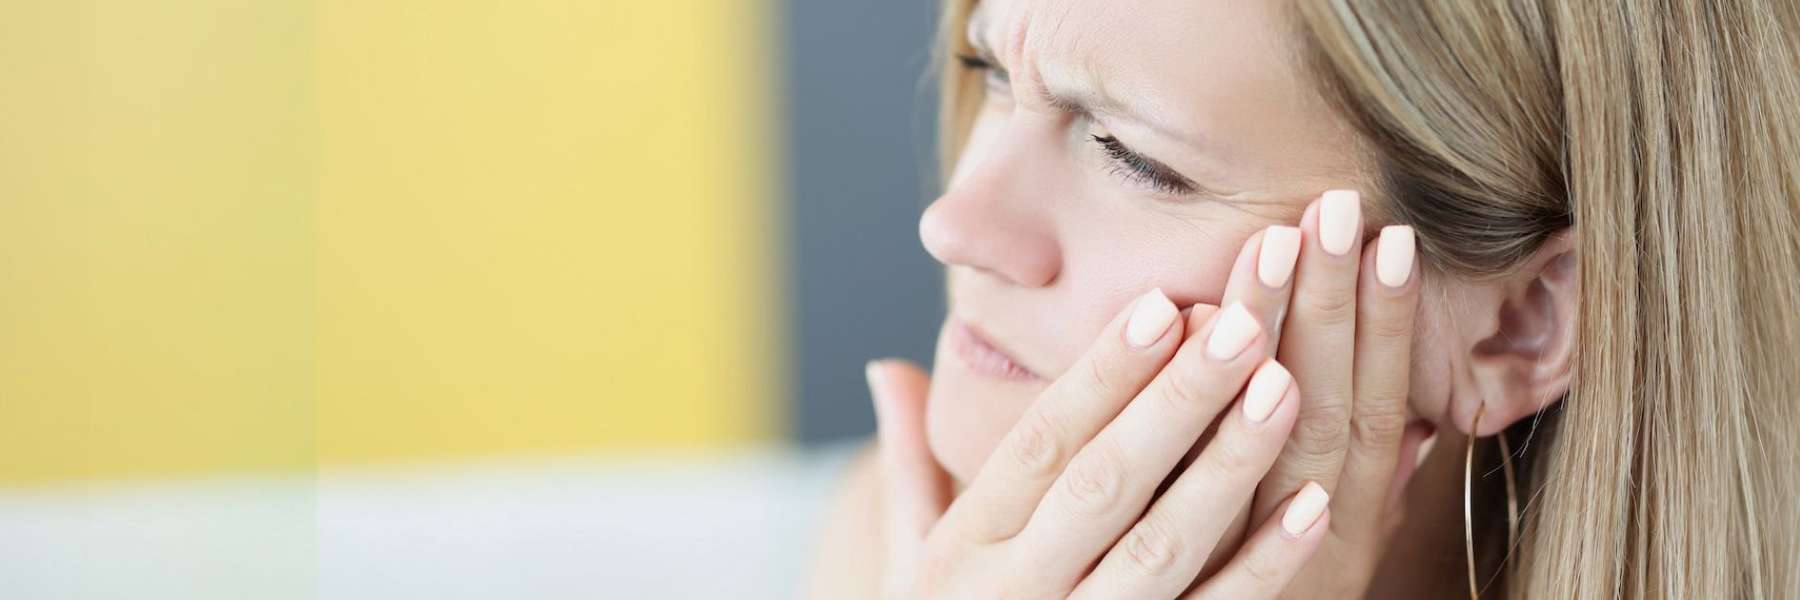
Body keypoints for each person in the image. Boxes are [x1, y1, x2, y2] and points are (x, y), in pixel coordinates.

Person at [808, 0, 1800, 597]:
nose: (954, 223)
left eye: (1131, 155)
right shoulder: (889, 550)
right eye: (988, 68)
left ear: (1520, 325)